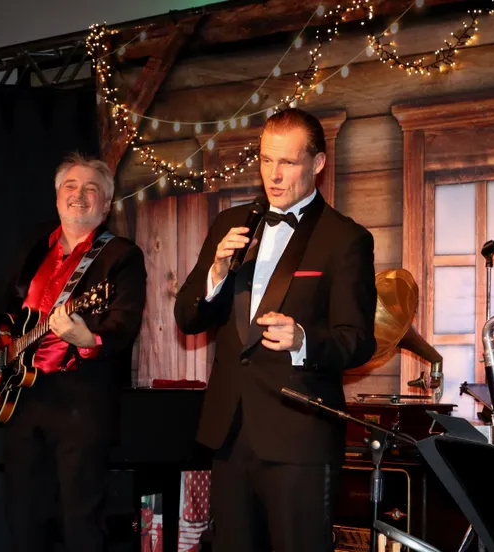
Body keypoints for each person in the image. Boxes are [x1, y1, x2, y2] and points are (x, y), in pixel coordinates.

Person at [174, 108, 378, 552]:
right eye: (266, 160)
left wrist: (304, 340)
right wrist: (216, 273)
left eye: (287, 161)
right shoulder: (230, 225)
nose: (274, 175)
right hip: (229, 431)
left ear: (318, 163)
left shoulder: (346, 239)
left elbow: (359, 339)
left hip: (299, 437)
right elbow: (188, 318)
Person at [0, 152, 147, 552]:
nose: (79, 195)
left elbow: (123, 324)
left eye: (91, 189)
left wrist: (87, 339)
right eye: (71, 186)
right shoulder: (34, 244)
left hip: (81, 403)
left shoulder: (121, 256)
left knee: (80, 522)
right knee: (22, 519)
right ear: (56, 197)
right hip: (22, 399)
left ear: (106, 203)